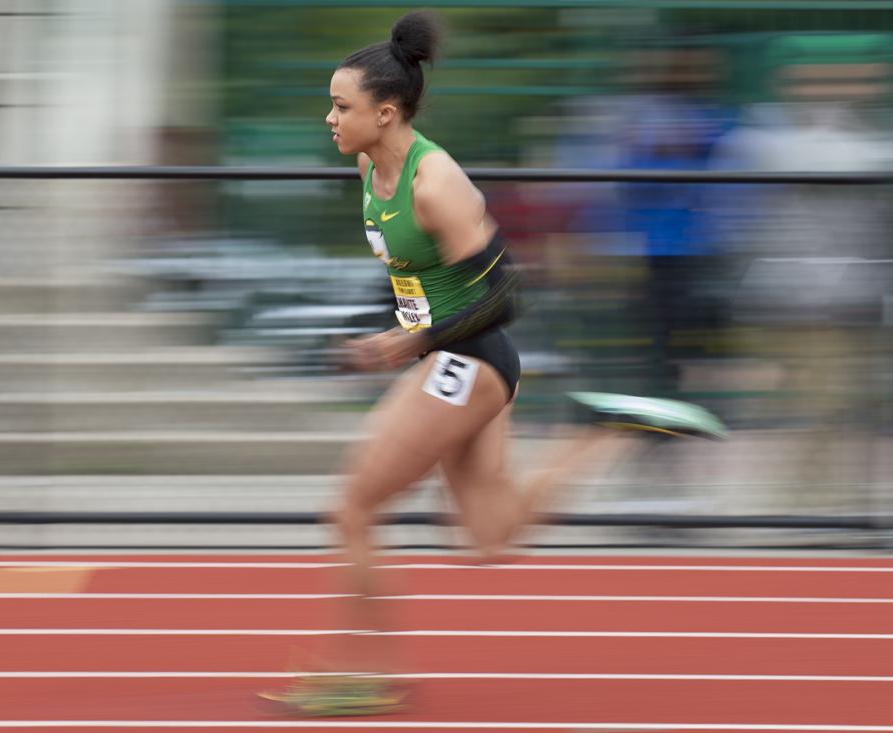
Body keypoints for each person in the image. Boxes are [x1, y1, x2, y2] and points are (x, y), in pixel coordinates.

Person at [260, 11, 726, 718]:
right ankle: (603, 428)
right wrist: (376, 332)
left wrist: (408, 343)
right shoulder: (369, 165)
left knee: (351, 506)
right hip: (453, 356)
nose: (329, 117)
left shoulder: (435, 182)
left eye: (342, 106)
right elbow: (407, 273)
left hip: (469, 359)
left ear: (385, 114)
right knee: (487, 539)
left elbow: (508, 294)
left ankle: (365, 672)